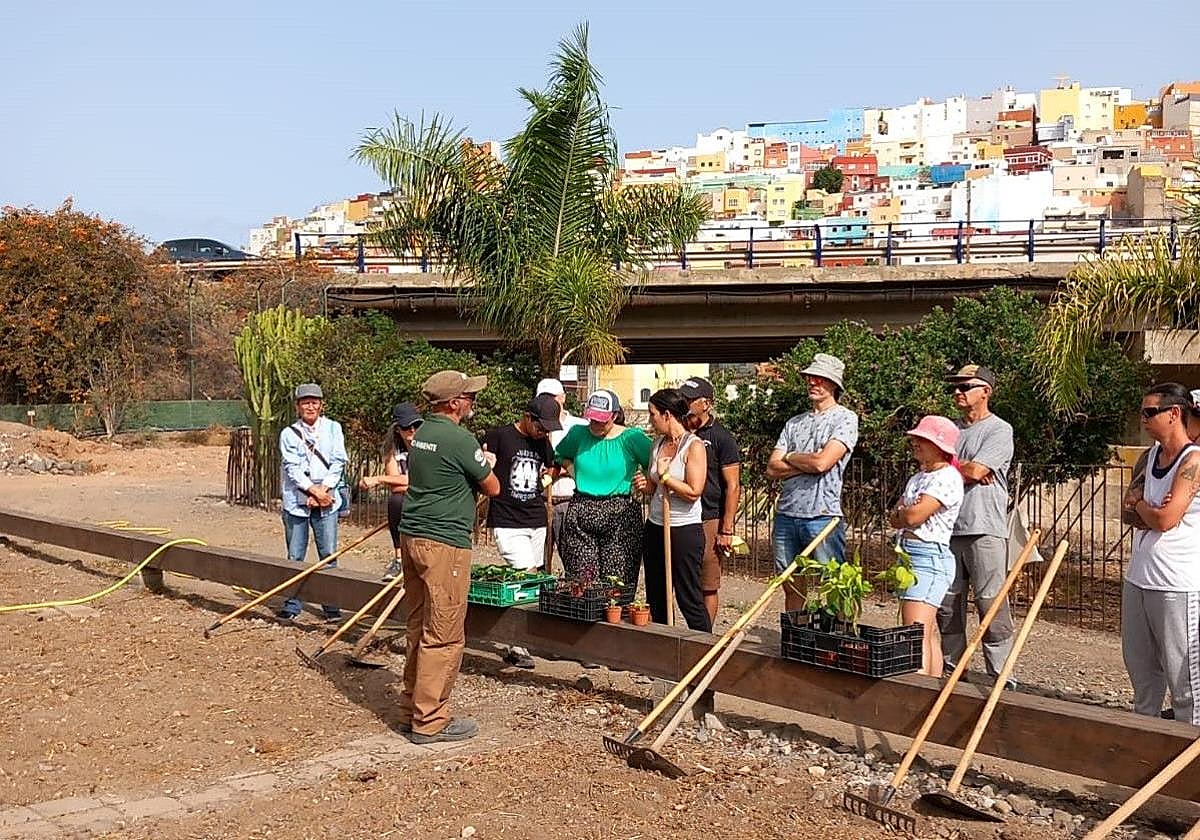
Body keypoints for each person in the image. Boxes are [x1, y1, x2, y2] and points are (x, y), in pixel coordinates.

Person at [397, 370, 500, 744]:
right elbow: (493, 485)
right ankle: (431, 719)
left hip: (413, 536)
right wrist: (485, 463)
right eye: (468, 395)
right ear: (453, 403)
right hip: (444, 543)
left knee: (418, 625)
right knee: (444, 633)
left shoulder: (421, 433)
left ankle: (411, 709)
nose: (472, 400)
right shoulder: (458, 438)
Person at [1121, 382, 1200, 725]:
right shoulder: (1148, 457)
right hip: (1139, 576)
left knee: (1185, 682)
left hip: (1177, 583)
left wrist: (1143, 505)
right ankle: (1145, 747)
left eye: (1150, 412)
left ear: (1174, 413)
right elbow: (1126, 513)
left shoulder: (1193, 461)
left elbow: (1165, 520)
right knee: (1142, 675)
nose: (1143, 419)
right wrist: (1145, 509)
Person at [937, 364, 1016, 683]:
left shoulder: (999, 430)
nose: (958, 392)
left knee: (991, 603)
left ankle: (1002, 674)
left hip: (985, 527)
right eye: (954, 387)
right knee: (947, 604)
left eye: (965, 386)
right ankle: (952, 667)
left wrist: (953, 469)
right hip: (947, 527)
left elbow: (975, 472)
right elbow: (937, 468)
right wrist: (963, 469)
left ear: (986, 391)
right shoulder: (948, 430)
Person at [765, 353, 859, 613]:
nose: (813, 383)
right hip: (786, 513)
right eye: (810, 378)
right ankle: (798, 635)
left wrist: (792, 457)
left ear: (834, 384)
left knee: (835, 583)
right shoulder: (794, 423)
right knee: (790, 582)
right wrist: (809, 462)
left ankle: (840, 637)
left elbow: (823, 463)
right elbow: (772, 468)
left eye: (821, 379)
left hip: (823, 515)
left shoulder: (845, 419)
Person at [482, 394, 562, 670]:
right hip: (507, 519)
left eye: (548, 429)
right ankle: (517, 643)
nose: (543, 433)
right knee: (525, 576)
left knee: (535, 578)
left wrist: (548, 478)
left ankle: (523, 636)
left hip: (535, 518)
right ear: (528, 417)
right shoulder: (499, 436)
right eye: (541, 427)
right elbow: (485, 466)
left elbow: (556, 464)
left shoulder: (542, 442)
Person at [889, 416, 965, 677]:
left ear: (939, 445)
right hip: (912, 554)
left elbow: (911, 517)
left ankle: (917, 692)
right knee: (925, 631)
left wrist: (905, 513)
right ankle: (929, 688)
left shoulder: (946, 477)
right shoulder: (919, 478)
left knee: (913, 633)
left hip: (928, 556)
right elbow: (895, 515)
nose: (915, 443)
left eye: (923, 440)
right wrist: (905, 513)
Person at [554, 389, 653, 587]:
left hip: (619, 513)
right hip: (582, 509)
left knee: (616, 584)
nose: (596, 424)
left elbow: (656, 461)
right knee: (582, 583)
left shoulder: (632, 438)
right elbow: (558, 454)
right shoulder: (578, 434)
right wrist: (572, 470)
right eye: (592, 419)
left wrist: (646, 481)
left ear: (614, 416)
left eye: (602, 420)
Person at [634, 388, 711, 631]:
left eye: (653, 414)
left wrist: (667, 477)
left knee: (688, 597)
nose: (650, 419)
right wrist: (646, 484)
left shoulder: (694, 446)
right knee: (656, 594)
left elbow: (693, 491)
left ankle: (702, 649)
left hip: (683, 529)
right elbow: (654, 485)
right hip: (656, 524)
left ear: (667, 415)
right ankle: (662, 650)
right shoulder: (657, 444)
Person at [277, 383, 347, 623]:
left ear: (321, 404)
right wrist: (311, 490)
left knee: (328, 553)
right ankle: (292, 604)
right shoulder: (288, 434)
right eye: (305, 402)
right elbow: (292, 468)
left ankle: (331, 605)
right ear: (297, 406)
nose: (310, 406)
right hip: (297, 500)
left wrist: (323, 490)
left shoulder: (333, 428)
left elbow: (339, 461)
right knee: (295, 554)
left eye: (314, 402)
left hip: (327, 499)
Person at [681, 377, 741, 625]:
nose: (684, 402)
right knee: (681, 582)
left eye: (690, 399)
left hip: (709, 517)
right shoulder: (679, 432)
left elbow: (733, 485)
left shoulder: (721, 437)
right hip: (681, 515)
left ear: (706, 403)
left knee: (707, 584)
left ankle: (702, 638)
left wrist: (726, 529)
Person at [358, 402, 422, 582]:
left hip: (430, 496)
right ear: (397, 430)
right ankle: (399, 558)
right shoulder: (392, 450)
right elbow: (397, 485)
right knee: (396, 501)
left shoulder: (427, 447)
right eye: (406, 427)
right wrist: (402, 482)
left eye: (416, 425)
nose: (412, 431)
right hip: (406, 497)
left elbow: (422, 482)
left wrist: (379, 479)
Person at [536, 378, 588, 560]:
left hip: (569, 500)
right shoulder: (534, 427)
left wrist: (559, 469)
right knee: (538, 560)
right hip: (541, 500)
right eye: (543, 398)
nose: (548, 402)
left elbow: (585, 462)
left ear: (563, 398)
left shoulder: (580, 427)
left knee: (572, 558)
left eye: (552, 397)